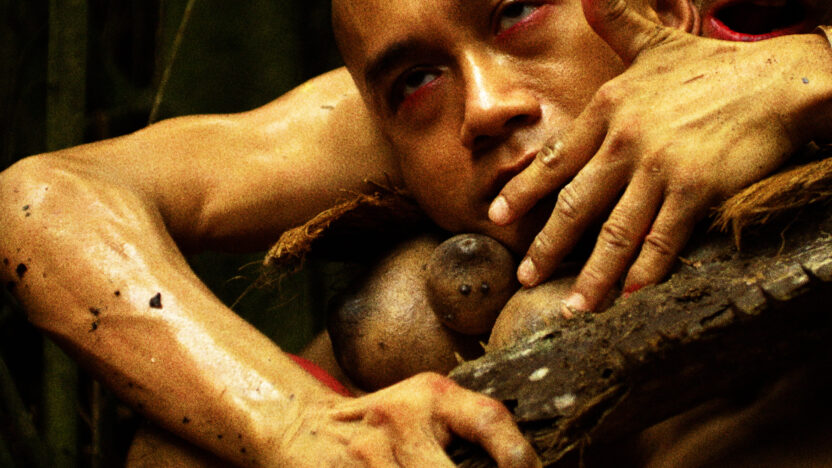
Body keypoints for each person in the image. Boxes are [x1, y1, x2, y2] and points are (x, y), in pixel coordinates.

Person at [1, 0, 830, 465]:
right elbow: (39, 198)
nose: (487, 105)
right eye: (417, 79)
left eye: (517, 11)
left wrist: (803, 71)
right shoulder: (403, 129)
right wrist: (296, 425)